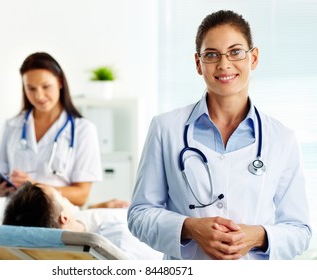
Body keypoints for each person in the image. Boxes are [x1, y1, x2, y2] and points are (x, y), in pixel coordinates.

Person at [127, 10, 311, 260]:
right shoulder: (165, 129)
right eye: (211, 54)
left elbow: (300, 231)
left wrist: (258, 236)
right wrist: (190, 228)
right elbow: (139, 214)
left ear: (253, 58)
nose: (224, 64)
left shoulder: (281, 138)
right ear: (197, 63)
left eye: (235, 52)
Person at [0, 52, 102, 206]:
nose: (39, 95)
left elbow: (82, 195)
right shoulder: (12, 126)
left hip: (58, 221)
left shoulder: (83, 129)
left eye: (46, 86)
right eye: (31, 88)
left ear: (60, 83)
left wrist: (37, 187)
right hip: (14, 220)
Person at [2, 181, 163, 260]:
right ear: (64, 218)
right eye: (60, 196)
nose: (62, 193)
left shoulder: (73, 224)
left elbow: (79, 216)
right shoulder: (119, 238)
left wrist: (101, 206)